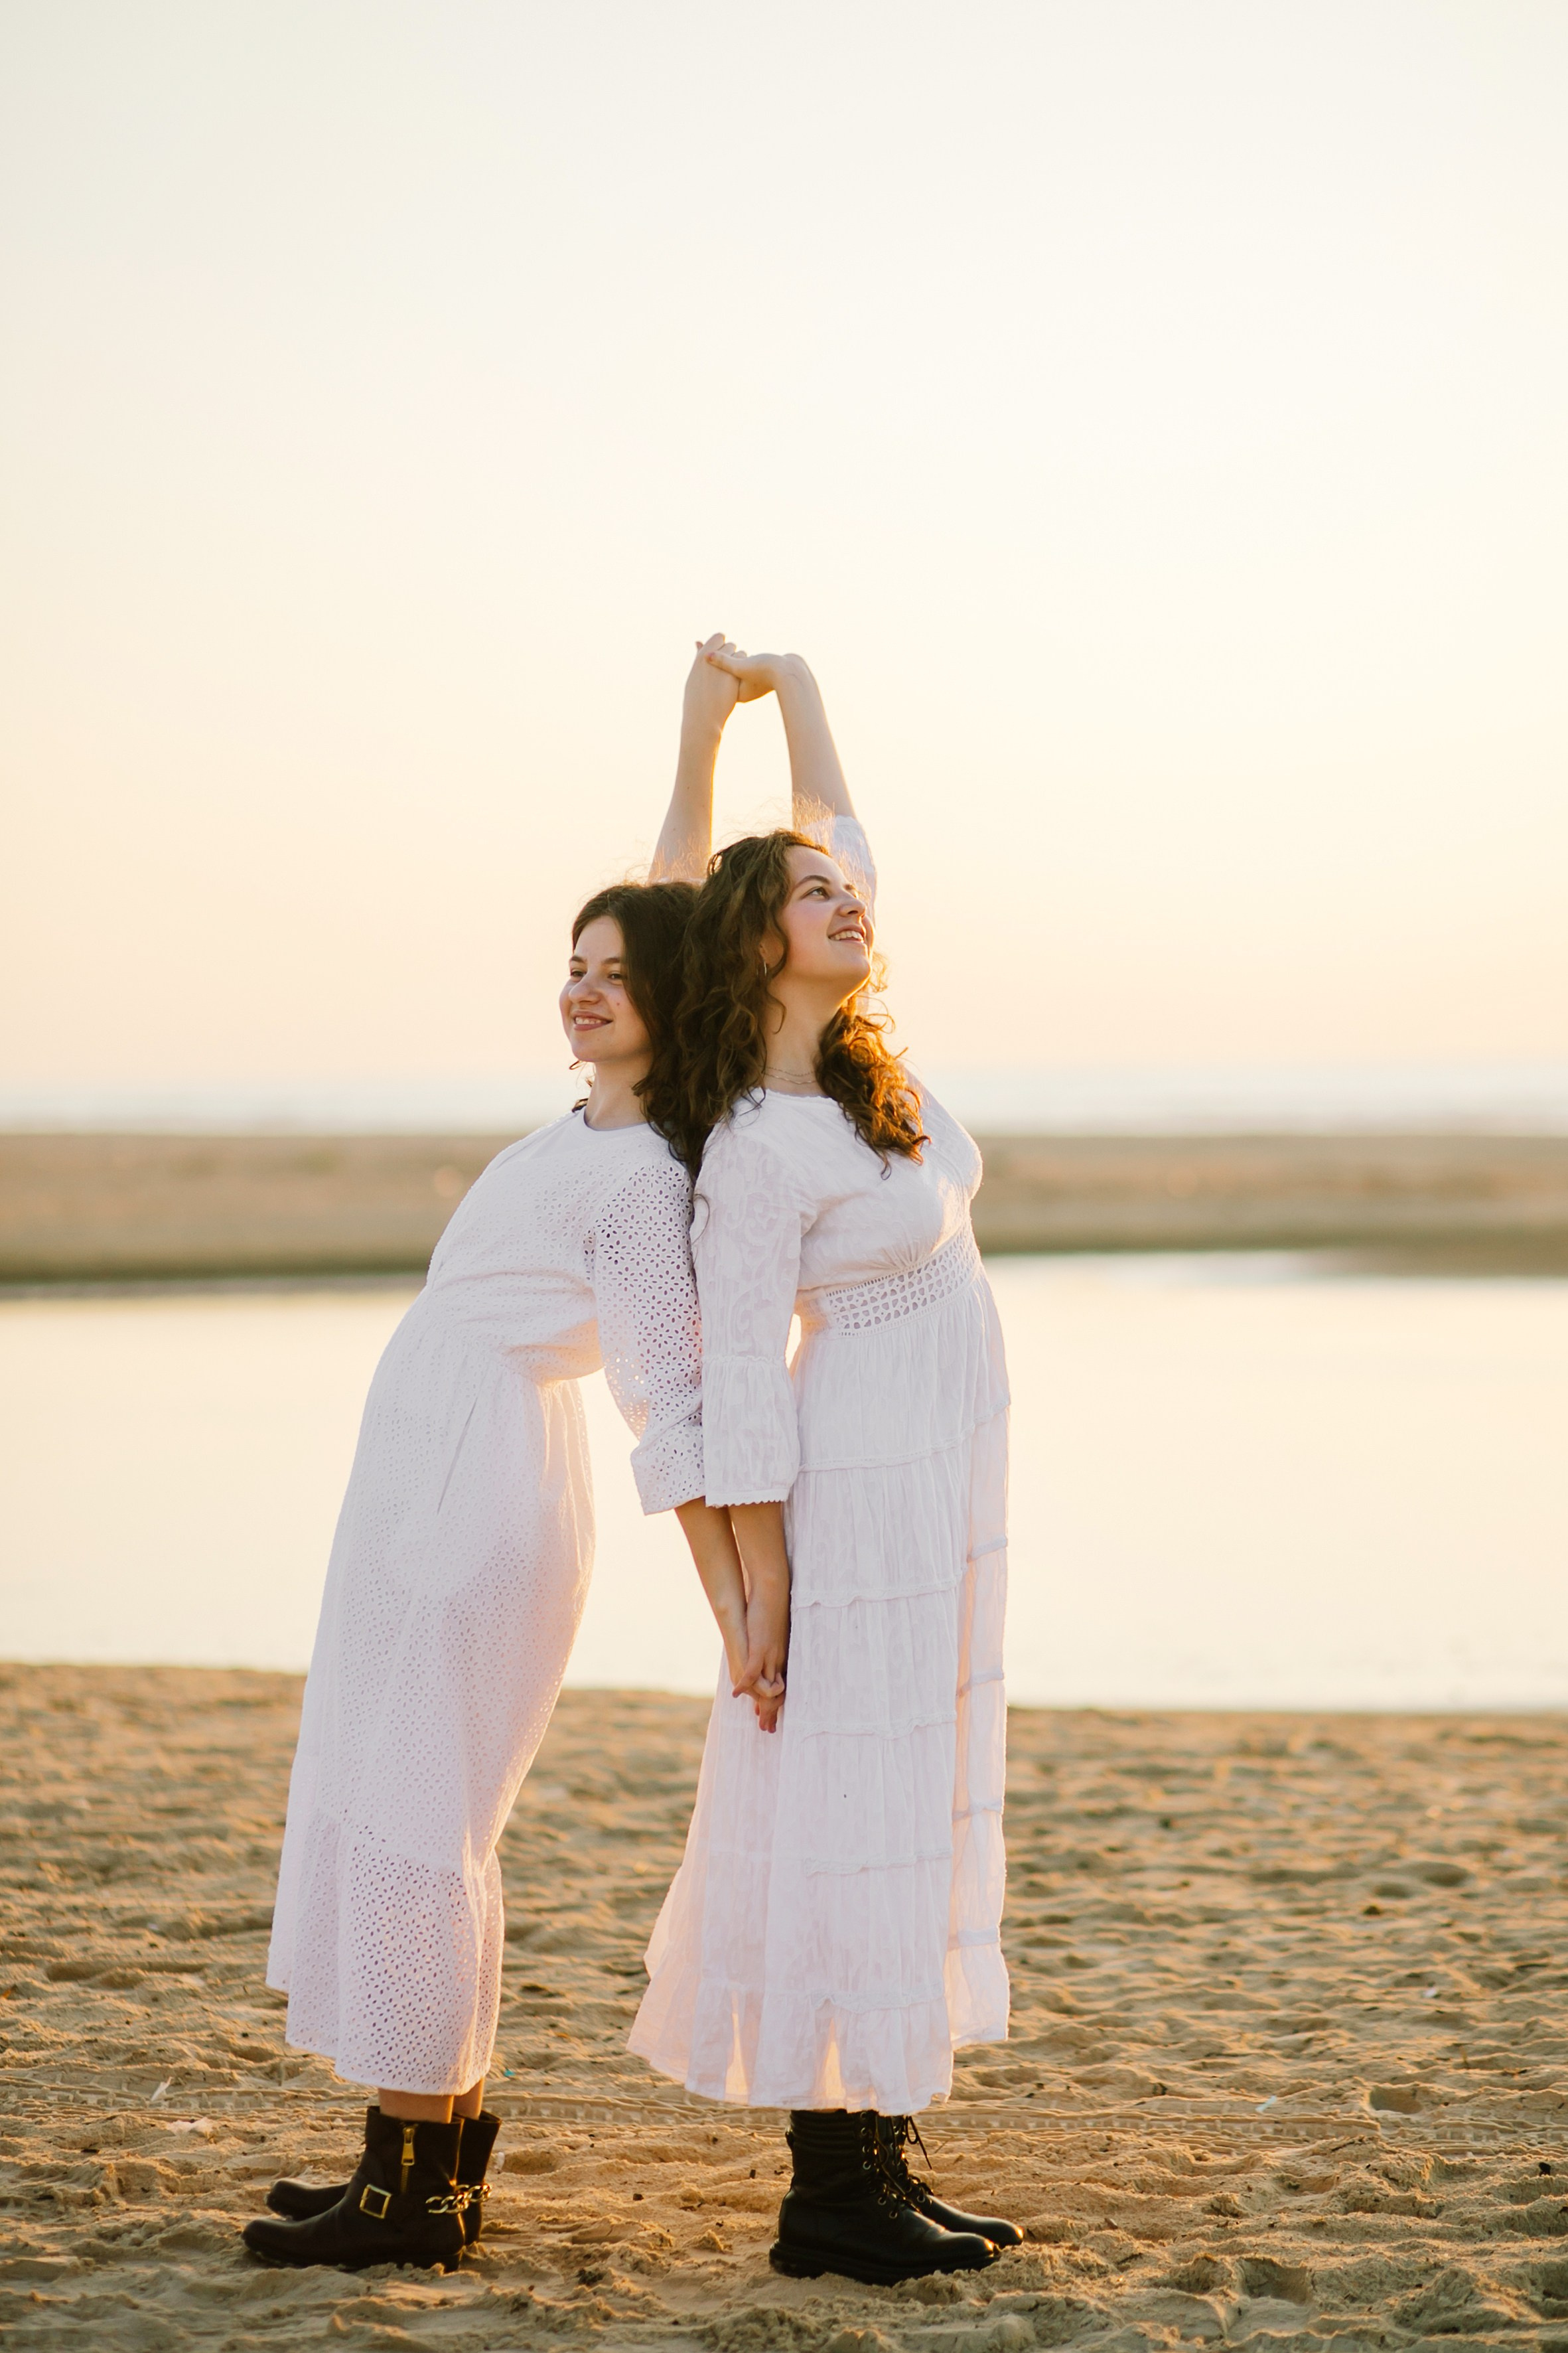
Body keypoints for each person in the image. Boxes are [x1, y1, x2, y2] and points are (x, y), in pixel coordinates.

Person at [243, 639, 760, 2272]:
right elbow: (670, 896)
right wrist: (697, 732)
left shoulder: (646, 1172)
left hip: (481, 1497)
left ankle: (414, 2189)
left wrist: (739, 1604)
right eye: (573, 964)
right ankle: (422, 2152)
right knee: (399, 1800)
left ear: (678, 998)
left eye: (618, 972)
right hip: (429, 1471)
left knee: (421, 1819)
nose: (585, 986)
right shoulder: (592, 1122)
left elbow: (671, 1400)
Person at [628, 648, 1021, 2287]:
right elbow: (734, 1385)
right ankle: (831, 2194)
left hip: (931, 1481)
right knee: (844, 1798)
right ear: (754, 942)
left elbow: (844, 831)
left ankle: (879, 2148)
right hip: (851, 1491)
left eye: (845, 888)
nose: (847, 896)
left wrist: (793, 691)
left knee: (902, 1796)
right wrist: (759, 1588)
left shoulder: (863, 1076)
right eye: (810, 893)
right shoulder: (751, 1141)